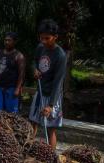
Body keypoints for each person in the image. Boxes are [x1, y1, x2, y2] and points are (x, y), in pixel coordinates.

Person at [29, 19, 67, 150]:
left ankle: (50, 159)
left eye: (47, 38)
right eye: (41, 38)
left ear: (55, 37)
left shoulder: (60, 55)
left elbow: (58, 82)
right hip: (40, 92)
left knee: (50, 129)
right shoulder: (40, 48)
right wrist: (35, 69)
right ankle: (27, 150)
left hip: (52, 96)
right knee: (33, 123)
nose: (44, 41)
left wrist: (51, 106)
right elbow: (34, 61)